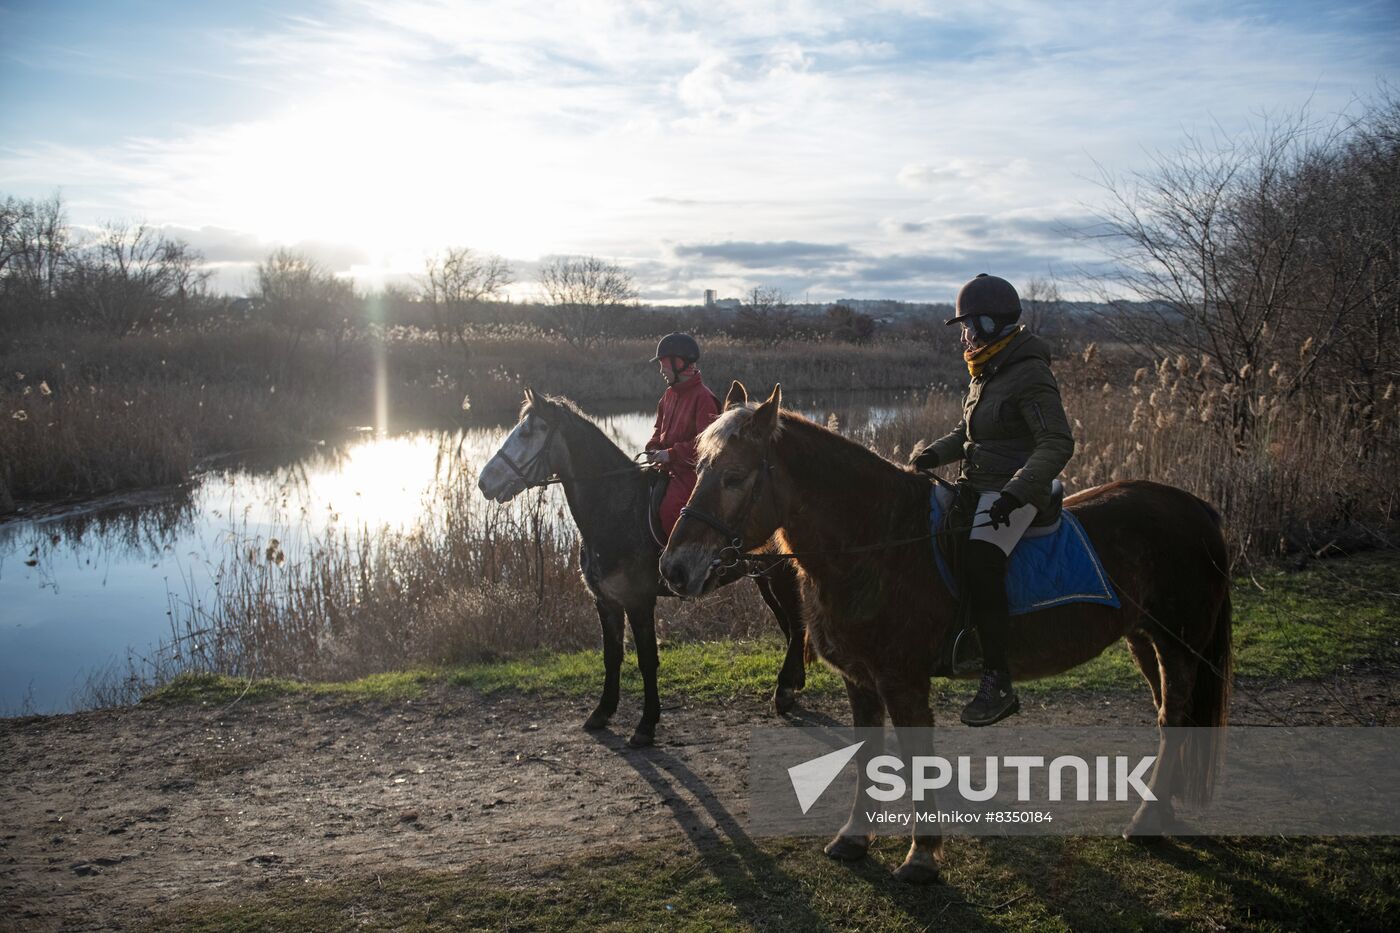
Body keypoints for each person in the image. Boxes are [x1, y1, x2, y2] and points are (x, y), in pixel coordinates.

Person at [913, 274, 1074, 726]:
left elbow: (1057, 442)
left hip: (1015, 492)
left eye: (969, 325)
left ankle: (998, 679)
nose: (964, 335)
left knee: (982, 559)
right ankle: (954, 639)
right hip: (977, 485)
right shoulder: (988, 369)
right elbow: (969, 433)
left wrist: (1015, 492)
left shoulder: (1029, 373)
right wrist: (933, 454)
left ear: (990, 323)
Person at [645, 333, 720, 538]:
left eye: (663, 364)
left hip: (691, 473)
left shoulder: (704, 398)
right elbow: (658, 430)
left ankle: (680, 556)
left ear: (679, 363)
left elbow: (706, 447)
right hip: (666, 468)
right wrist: (653, 447)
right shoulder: (668, 395)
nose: (661, 370)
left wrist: (671, 454)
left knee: (671, 511)